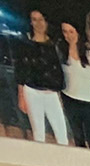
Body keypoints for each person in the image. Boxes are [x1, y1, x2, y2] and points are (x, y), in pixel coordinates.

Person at [17, 11, 71, 144]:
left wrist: (59, 94)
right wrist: (21, 95)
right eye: (34, 20)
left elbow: (58, 71)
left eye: (41, 19)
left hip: (51, 93)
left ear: (46, 21)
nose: (38, 23)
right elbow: (21, 70)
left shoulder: (54, 45)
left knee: (61, 133)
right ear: (31, 22)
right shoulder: (25, 44)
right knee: (38, 133)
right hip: (32, 92)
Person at [58, 16, 90, 148]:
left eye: (71, 31)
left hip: (89, 101)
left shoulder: (89, 51)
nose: (68, 35)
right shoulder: (61, 51)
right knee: (78, 138)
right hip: (70, 99)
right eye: (65, 31)